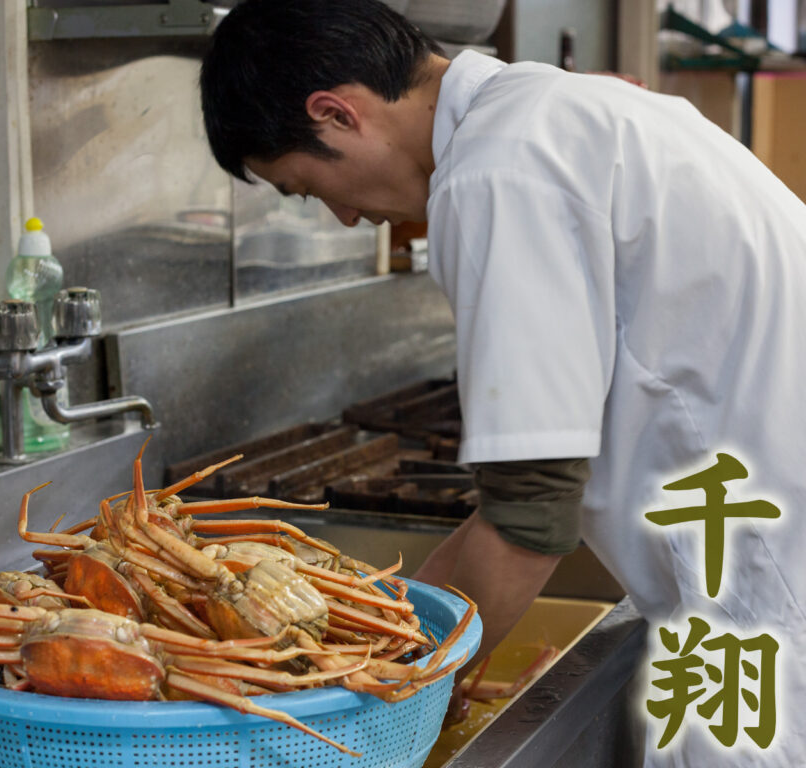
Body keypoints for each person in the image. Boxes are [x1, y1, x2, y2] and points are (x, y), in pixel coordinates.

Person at [199, 1, 806, 765]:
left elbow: (529, 520)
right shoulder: (562, 112)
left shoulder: (496, 173)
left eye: (311, 186)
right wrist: (400, 618)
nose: (346, 216)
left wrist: (403, 699)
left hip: (770, 618)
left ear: (336, 114)